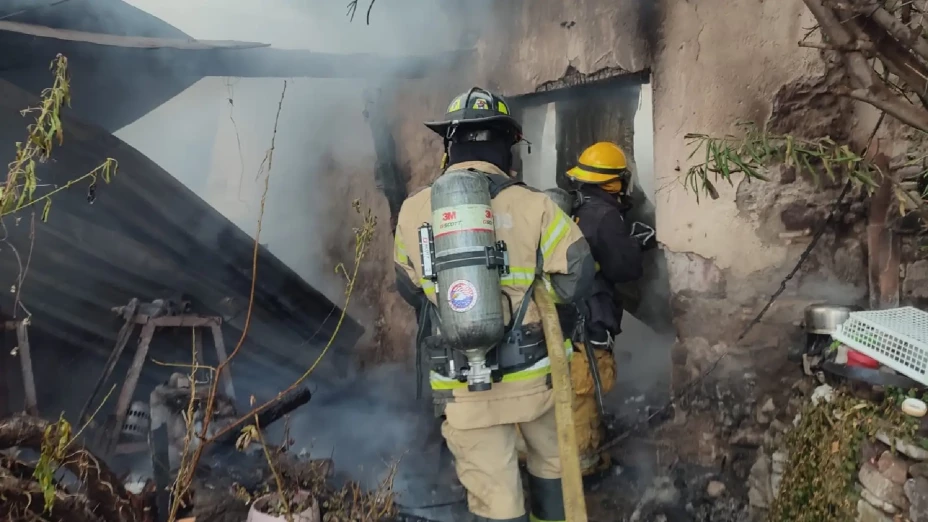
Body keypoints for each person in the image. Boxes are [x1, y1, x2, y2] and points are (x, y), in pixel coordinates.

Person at [393, 87, 594, 522]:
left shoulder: (412, 211)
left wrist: (448, 300)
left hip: (463, 384)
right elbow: (580, 277)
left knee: (496, 500)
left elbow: (407, 287)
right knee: (553, 471)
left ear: (451, 146)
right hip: (535, 380)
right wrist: (537, 298)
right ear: (507, 148)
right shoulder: (537, 206)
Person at [564, 141, 648, 474]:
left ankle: (551, 459)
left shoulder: (573, 207)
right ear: (615, 182)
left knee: (564, 388)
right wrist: (636, 245)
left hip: (562, 318)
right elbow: (624, 269)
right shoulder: (605, 215)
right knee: (584, 391)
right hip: (589, 318)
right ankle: (584, 467)